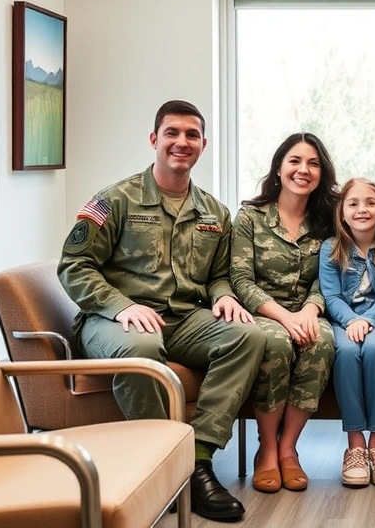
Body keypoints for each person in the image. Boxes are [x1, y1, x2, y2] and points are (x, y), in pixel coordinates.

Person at [58, 99, 264, 523]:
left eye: (191, 135)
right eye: (172, 133)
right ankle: (162, 468)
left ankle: (198, 461)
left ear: (203, 145)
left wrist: (224, 295)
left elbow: (219, 276)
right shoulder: (114, 199)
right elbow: (74, 266)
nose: (181, 142)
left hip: (183, 319)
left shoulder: (215, 212)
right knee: (143, 345)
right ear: (155, 139)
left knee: (249, 336)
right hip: (112, 320)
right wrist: (121, 305)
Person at [230, 132, 339, 494]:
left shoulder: (329, 222)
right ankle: (266, 448)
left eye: (313, 163)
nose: (303, 170)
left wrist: (310, 309)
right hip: (261, 312)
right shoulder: (250, 217)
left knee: (322, 339)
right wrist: (283, 316)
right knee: (274, 342)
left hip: (309, 309)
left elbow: (331, 277)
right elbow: (241, 279)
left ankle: (288, 447)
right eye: (295, 161)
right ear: (279, 167)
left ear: (322, 173)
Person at [319, 178, 375, 488]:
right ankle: (356, 444)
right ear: (342, 212)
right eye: (353, 203)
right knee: (344, 351)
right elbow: (331, 297)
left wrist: (367, 321)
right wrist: (351, 321)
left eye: (370, 203)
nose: (362, 209)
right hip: (343, 320)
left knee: (374, 350)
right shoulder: (330, 248)